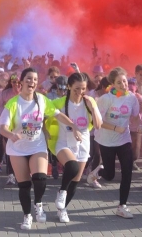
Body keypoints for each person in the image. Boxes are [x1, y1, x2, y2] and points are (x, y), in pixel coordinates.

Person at [0, 67, 75, 230]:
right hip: (17, 149)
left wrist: (73, 125)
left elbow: (57, 114)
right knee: (24, 185)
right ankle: (27, 216)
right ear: (22, 81)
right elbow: (2, 128)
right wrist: (11, 135)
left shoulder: (41, 100)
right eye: (28, 79)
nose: (31, 82)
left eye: (34, 79)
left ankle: (38, 203)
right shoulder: (13, 103)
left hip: (37, 145)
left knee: (40, 178)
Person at [47, 72, 102, 223]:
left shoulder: (88, 102)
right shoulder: (59, 102)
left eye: (83, 88)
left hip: (83, 145)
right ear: (69, 87)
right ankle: (61, 191)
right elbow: (46, 113)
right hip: (63, 143)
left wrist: (93, 106)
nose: (80, 92)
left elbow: (98, 125)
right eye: (76, 88)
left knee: (75, 182)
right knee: (72, 168)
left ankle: (62, 209)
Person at [87, 67, 140, 219]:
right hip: (106, 140)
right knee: (110, 175)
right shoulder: (106, 99)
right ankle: (98, 171)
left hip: (124, 140)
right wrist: (115, 127)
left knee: (127, 172)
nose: (123, 85)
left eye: (125, 81)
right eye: (119, 82)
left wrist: (141, 124)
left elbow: (135, 116)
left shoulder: (132, 98)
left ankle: (122, 206)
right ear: (113, 84)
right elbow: (97, 121)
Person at [0, 74, 21, 181]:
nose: (17, 84)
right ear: (11, 83)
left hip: (23, 127)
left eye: (19, 82)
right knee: (10, 149)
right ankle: (11, 175)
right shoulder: (5, 94)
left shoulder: (27, 94)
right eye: (14, 82)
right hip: (8, 127)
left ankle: (23, 172)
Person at [86, 76, 110, 187]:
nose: (112, 89)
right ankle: (90, 172)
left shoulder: (112, 94)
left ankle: (93, 175)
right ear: (103, 86)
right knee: (94, 153)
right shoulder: (93, 94)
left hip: (106, 128)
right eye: (109, 87)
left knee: (98, 153)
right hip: (93, 128)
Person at [127, 77, 142, 171]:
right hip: (123, 127)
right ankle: (125, 163)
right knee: (125, 146)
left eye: (133, 84)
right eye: (128, 84)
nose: (131, 86)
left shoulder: (139, 97)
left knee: (136, 147)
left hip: (136, 126)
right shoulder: (120, 96)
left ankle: (133, 162)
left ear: (136, 86)